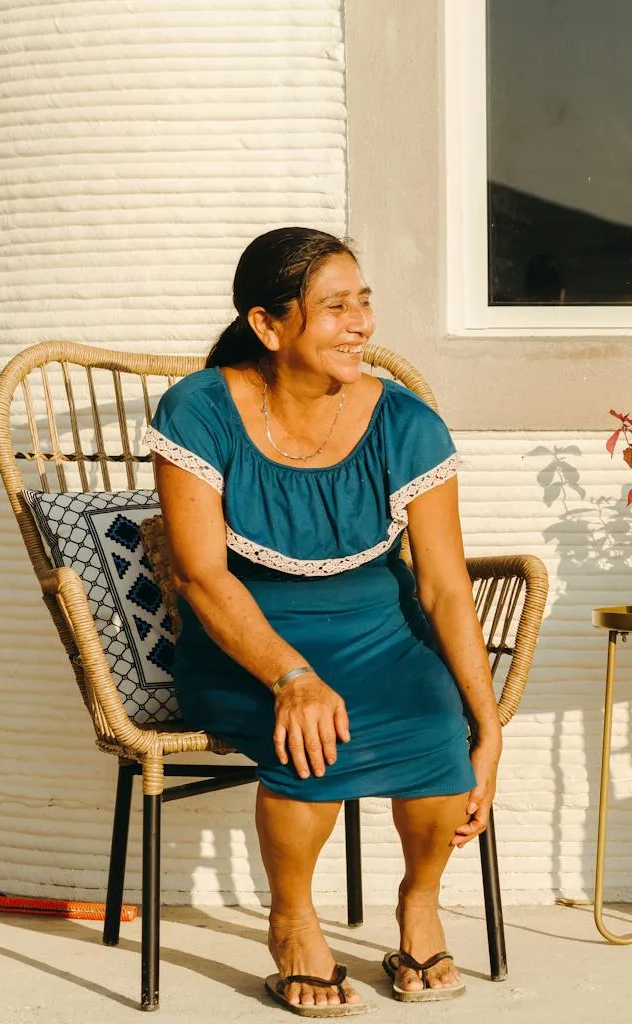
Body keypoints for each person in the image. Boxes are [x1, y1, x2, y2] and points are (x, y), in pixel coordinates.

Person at [144, 227, 500, 1014]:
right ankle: (294, 921)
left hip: (383, 634)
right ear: (268, 325)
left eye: (364, 302)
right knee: (309, 734)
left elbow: (445, 588)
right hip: (247, 643)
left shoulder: (406, 422)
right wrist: (291, 677)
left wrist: (488, 724)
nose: (361, 324)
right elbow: (201, 576)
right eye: (335, 307)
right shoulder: (200, 409)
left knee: (436, 729)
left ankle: (420, 903)